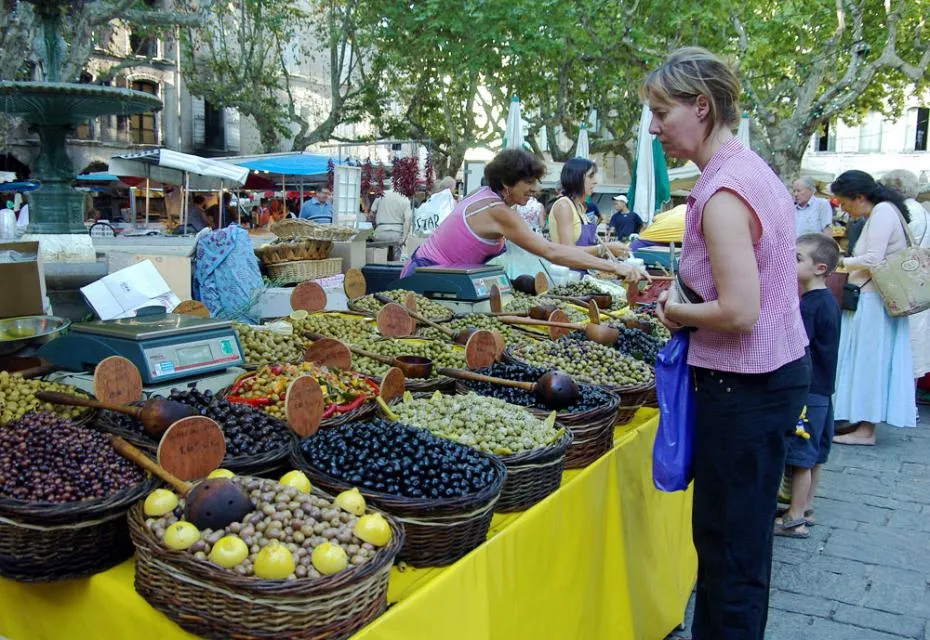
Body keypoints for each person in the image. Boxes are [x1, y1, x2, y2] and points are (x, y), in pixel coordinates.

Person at [648, 47, 810, 640]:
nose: (654, 126)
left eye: (662, 111)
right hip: (769, 376)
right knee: (732, 544)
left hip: (743, 384)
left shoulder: (721, 194)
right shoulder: (748, 170)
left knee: (729, 547)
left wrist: (675, 310)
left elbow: (740, 312)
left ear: (702, 105)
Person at [400, 149, 647, 281]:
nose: (535, 189)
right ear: (507, 183)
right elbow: (551, 251)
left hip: (431, 272)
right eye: (528, 182)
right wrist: (613, 267)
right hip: (426, 276)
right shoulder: (498, 211)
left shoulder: (485, 195)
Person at [831, 170, 917, 444]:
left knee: (869, 361)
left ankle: (866, 430)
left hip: (873, 299)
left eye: (844, 202)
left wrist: (842, 261)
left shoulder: (882, 213)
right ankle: (860, 421)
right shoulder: (884, 211)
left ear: (859, 197)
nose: (843, 208)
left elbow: (873, 258)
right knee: (865, 360)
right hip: (874, 298)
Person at [775, 233, 842, 539]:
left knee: (800, 455)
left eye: (798, 259)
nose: (791, 262)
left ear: (820, 268)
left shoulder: (809, 307)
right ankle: (807, 507)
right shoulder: (828, 301)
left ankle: (794, 517)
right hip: (824, 390)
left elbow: (797, 347)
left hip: (808, 390)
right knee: (815, 452)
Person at [879, 169, 930, 382]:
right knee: (916, 340)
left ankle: (906, 403)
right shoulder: (922, 211)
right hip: (918, 282)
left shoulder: (903, 211)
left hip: (903, 283)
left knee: (905, 342)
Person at [548, 158, 628, 261]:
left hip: (582, 269)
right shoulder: (564, 206)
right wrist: (603, 248)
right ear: (576, 178)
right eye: (591, 176)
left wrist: (607, 253)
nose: (595, 181)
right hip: (568, 272)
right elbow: (567, 251)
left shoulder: (580, 207)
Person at [372, 190, 412, 259]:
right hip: (397, 233)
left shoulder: (381, 196)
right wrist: (404, 238)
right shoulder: (405, 199)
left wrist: (373, 232)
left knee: (379, 259)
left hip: (380, 232)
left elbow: (371, 214)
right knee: (395, 262)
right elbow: (407, 220)